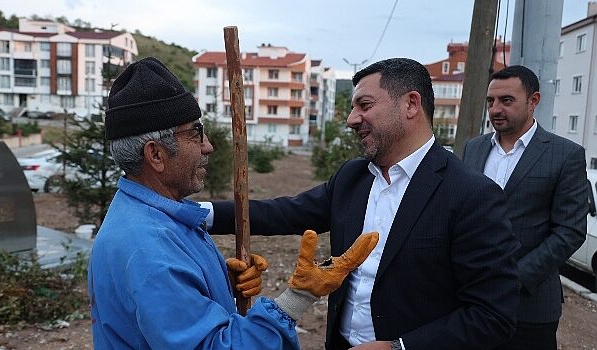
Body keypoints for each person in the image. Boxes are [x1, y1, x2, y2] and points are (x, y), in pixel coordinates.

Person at [205, 58, 521, 349]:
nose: (351, 119)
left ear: (411, 104)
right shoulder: (352, 178)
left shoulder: (471, 194)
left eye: (364, 105)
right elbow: (282, 213)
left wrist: (399, 348)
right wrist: (194, 213)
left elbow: (493, 315)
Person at [88, 57, 380, 350]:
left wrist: (215, 283)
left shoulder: (146, 219)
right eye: (195, 133)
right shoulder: (149, 249)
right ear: (156, 155)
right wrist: (297, 297)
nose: (208, 146)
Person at [462, 65, 587, 350]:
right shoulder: (474, 149)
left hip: (530, 305)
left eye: (507, 101)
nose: (495, 109)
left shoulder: (565, 155)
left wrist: (515, 278)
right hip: (470, 299)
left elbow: (569, 231)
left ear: (534, 101)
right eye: (491, 101)